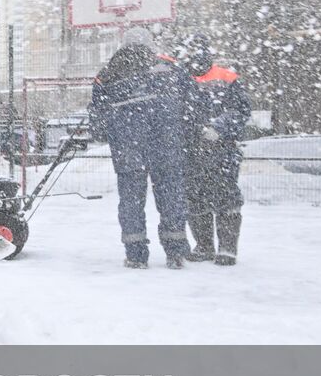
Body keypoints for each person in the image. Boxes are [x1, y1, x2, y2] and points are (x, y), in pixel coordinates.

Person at [88, 26, 195, 269]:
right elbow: (191, 106)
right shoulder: (170, 68)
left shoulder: (108, 73)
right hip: (166, 144)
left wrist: (108, 132)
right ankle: (176, 252)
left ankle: (135, 254)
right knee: (171, 197)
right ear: (150, 45)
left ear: (124, 44)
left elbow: (97, 113)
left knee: (130, 200)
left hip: (128, 147)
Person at [177, 33, 251, 266]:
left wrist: (219, 128)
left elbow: (241, 111)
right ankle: (205, 246)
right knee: (194, 198)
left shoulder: (226, 77)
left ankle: (227, 248)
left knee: (226, 198)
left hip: (222, 150)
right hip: (191, 151)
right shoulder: (179, 79)